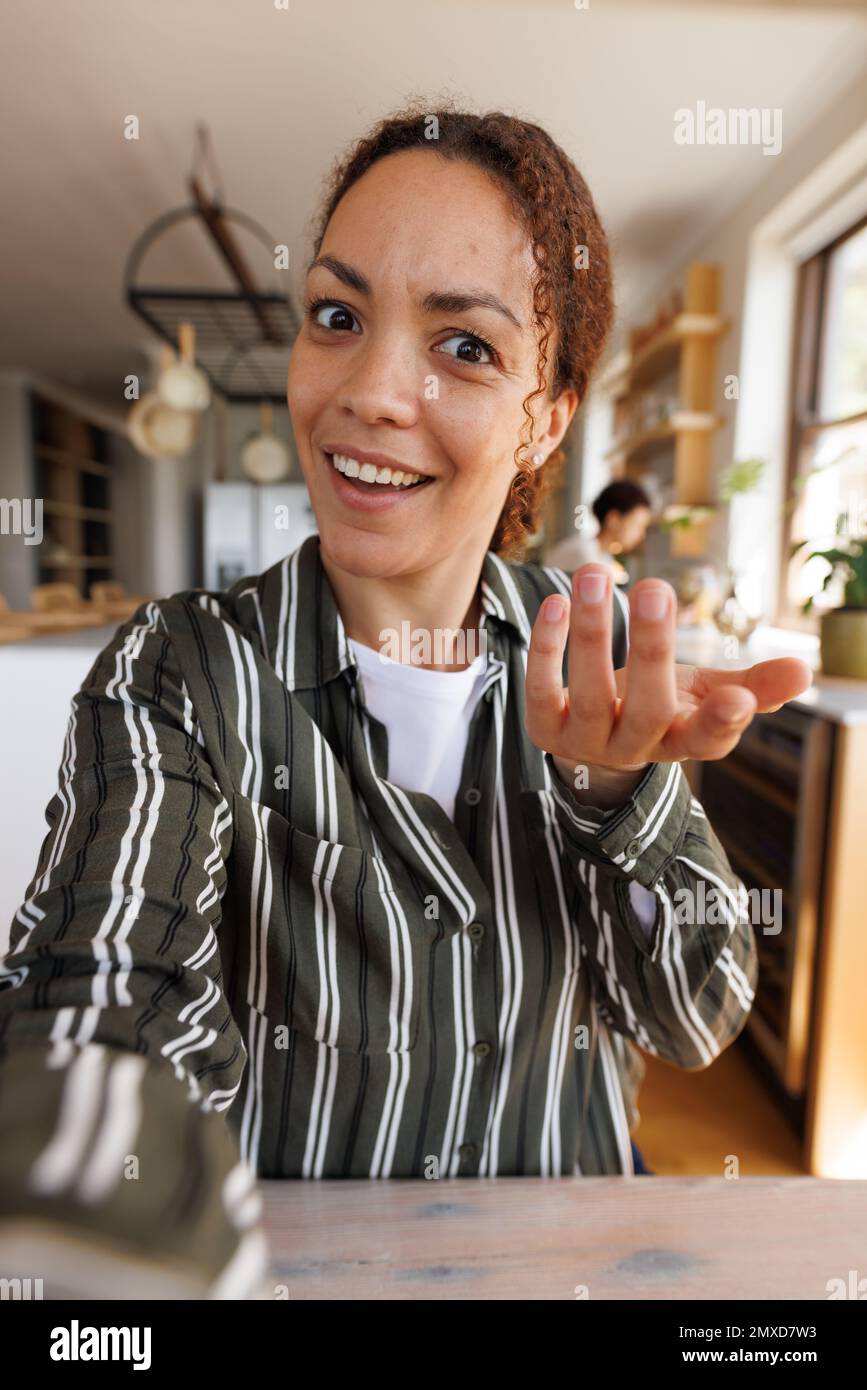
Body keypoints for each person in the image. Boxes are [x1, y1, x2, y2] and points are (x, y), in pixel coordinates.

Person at [0, 101, 811, 1299]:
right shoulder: (182, 667)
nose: (371, 392)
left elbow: (695, 1019)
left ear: (547, 417)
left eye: (466, 346)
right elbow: (105, 987)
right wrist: (97, 1191)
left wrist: (616, 793)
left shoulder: (590, 658)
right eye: (337, 315)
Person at [546, 480, 652, 581]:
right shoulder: (584, 553)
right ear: (613, 519)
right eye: (637, 525)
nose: (641, 535)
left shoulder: (603, 558)